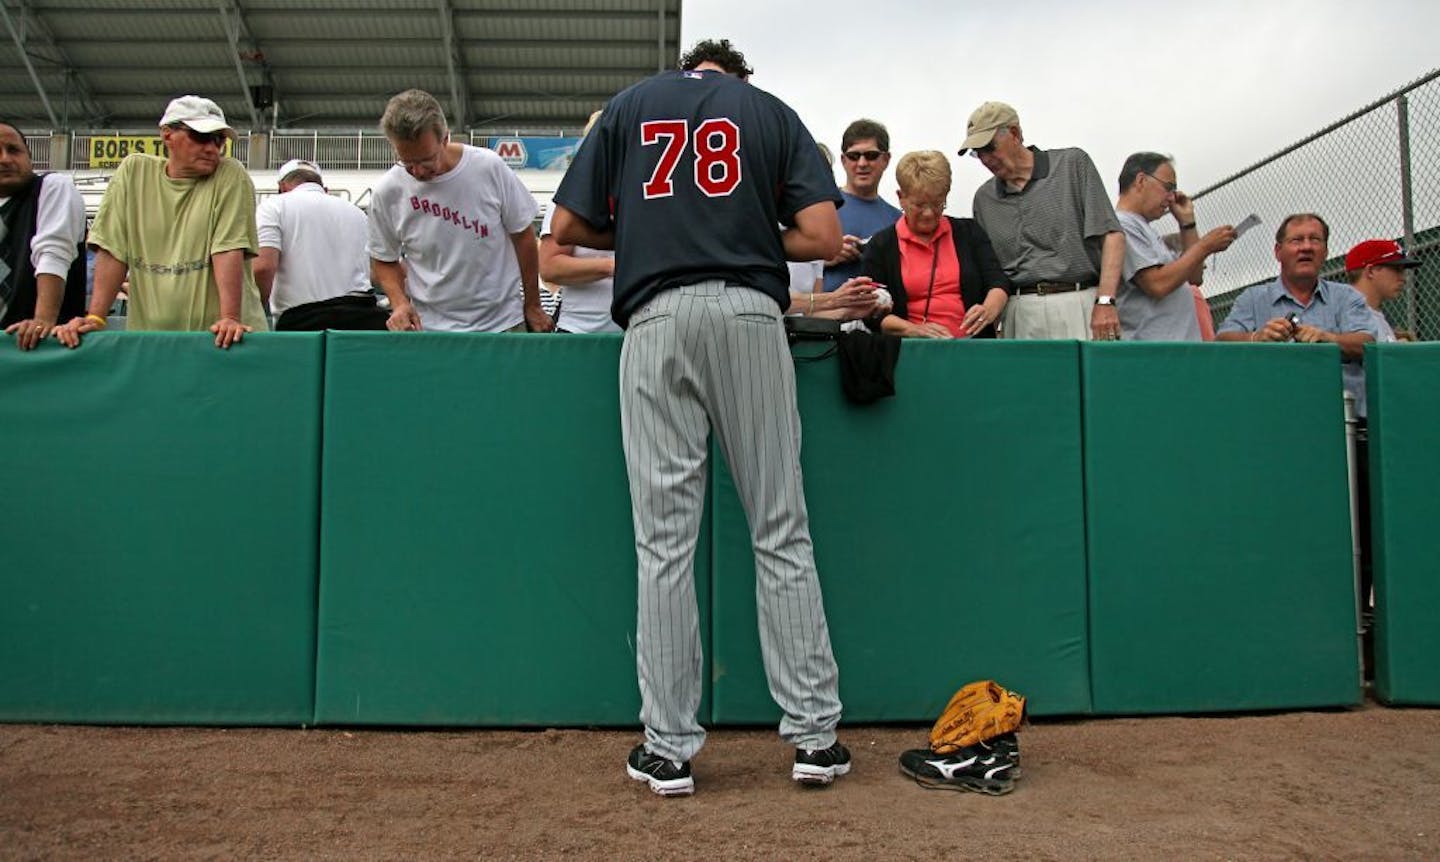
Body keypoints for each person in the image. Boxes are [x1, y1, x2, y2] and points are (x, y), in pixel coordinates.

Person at [551, 38, 849, 797]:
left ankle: (670, 747)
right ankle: (815, 739)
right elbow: (820, 238)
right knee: (780, 528)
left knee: (663, 545)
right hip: (750, 313)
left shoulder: (629, 105)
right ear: (738, 75)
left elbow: (567, 230)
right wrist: (741, 228)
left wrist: (659, 228)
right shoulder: (769, 110)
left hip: (653, 319)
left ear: (689, 65)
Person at [55, 95, 268, 349]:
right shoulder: (133, 172)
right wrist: (96, 317)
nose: (212, 148)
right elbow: (113, 249)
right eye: (201, 136)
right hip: (153, 343)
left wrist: (230, 319)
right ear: (167, 135)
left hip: (225, 342)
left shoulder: (230, 174)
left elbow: (228, 249)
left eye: (219, 139)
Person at [367, 89, 550, 333]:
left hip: (502, 324)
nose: (418, 172)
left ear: (445, 138)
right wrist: (400, 303)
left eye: (426, 160)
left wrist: (533, 305)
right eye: (407, 163)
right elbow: (383, 259)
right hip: (431, 328)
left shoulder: (488, 167)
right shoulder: (388, 191)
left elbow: (523, 237)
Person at [960, 101, 1124, 341]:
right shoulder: (984, 199)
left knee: (1092, 379)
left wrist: (1106, 301)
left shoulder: (1072, 165)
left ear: (1014, 134)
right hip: (1019, 311)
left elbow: (1112, 235)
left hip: (1080, 303)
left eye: (989, 147)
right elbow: (991, 270)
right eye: (978, 153)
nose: (985, 158)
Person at [860, 150, 1009, 339]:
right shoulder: (882, 245)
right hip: (911, 351)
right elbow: (870, 312)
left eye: (938, 203)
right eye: (919, 205)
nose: (929, 213)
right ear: (901, 197)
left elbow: (997, 281)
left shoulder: (970, 233)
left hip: (973, 347)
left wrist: (988, 310)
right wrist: (913, 330)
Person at [1215, 214, 1376, 365]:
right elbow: (1222, 341)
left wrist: (1328, 339)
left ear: (1326, 252)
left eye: (1315, 240)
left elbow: (1368, 344)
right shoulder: (1252, 299)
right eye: (1297, 240)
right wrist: (1256, 338)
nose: (1306, 247)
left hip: (1340, 393)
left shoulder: (1347, 296)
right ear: (1278, 252)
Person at [1113, 152, 1236, 341]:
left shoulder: (1144, 228)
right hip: (1153, 354)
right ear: (1141, 180)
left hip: (1175, 351)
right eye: (1168, 187)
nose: (1172, 197)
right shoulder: (1122, 224)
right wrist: (1205, 246)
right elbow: (1157, 284)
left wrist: (1187, 224)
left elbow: (1194, 277)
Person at [253, 159, 386, 331]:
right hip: (361, 314)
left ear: (282, 187)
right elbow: (378, 270)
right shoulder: (357, 213)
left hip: (302, 320)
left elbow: (263, 267)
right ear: (324, 189)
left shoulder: (273, 206)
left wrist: (251, 314)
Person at [1, 121, 86, 350]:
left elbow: (53, 253)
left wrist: (42, 320)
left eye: (14, 150)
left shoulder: (52, 187)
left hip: (46, 348)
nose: (5, 159)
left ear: (30, 157)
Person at [822, 119, 902, 292]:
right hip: (824, 315)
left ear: (886, 159)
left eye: (871, 155)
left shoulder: (899, 220)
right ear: (843, 160)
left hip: (878, 315)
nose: (862, 163)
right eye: (854, 156)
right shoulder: (821, 208)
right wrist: (824, 256)